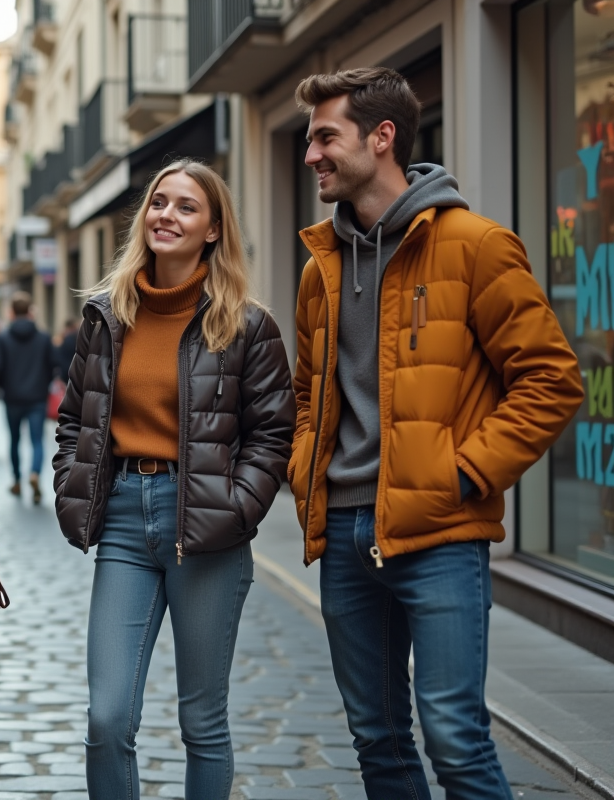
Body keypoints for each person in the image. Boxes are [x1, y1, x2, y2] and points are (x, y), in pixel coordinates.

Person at [290, 67, 583, 799]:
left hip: (442, 536)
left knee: (455, 737)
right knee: (377, 743)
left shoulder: (476, 245)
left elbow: (552, 379)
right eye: (308, 139)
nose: (312, 155)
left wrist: (464, 473)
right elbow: (307, 393)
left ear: (381, 137)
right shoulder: (318, 269)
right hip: (345, 532)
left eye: (326, 136)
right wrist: (307, 470)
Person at [53, 159, 295, 800]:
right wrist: (69, 488)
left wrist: (238, 509)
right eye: (160, 202)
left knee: (203, 722)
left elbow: (273, 433)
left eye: (187, 207)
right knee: (107, 719)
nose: (167, 215)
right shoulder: (106, 317)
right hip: (127, 521)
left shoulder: (246, 325)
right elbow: (74, 420)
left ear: (214, 230)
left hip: (210, 529)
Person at [0, 292, 55, 503]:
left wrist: (5, 386)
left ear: (11, 312)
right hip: (37, 397)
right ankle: (35, 473)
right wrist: (43, 383)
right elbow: (54, 365)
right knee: (37, 440)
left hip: (12, 397)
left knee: (15, 440)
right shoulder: (44, 338)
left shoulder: (3, 338)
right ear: (30, 312)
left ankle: (17, 481)